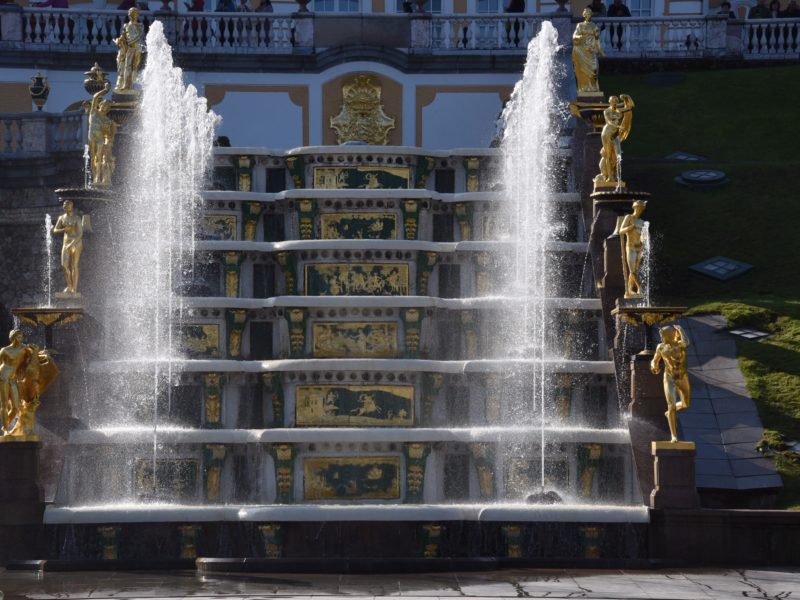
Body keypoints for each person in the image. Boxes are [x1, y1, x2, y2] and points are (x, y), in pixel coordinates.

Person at [651, 325, 691, 443]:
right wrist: (654, 366)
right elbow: (655, 359)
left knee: (686, 405)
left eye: (663, 335)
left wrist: (680, 329)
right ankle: (674, 436)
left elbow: (687, 342)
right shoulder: (661, 347)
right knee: (672, 405)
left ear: (670, 335)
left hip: (682, 377)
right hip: (669, 378)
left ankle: (669, 413)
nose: (661, 337)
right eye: (661, 335)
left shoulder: (680, 345)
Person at [595, 93, 634, 190]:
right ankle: (610, 177)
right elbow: (608, 122)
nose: (615, 103)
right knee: (608, 155)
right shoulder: (606, 111)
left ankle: (617, 176)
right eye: (613, 102)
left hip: (615, 134)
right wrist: (618, 126)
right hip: (607, 133)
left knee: (617, 155)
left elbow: (630, 107)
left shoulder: (619, 110)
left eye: (616, 102)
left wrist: (627, 98)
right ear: (610, 102)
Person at [53, 199, 84, 296]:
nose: (66, 207)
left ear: (71, 207)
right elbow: (55, 230)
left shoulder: (77, 218)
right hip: (65, 243)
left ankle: (74, 288)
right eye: (64, 205)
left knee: (74, 265)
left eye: (68, 205)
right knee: (64, 266)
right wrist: (64, 229)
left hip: (76, 243)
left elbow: (80, 234)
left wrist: (72, 243)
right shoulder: (61, 218)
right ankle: (69, 286)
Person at [572, 8, 604, 96]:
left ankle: (594, 88)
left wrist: (600, 49)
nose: (588, 16)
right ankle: (584, 89)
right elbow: (574, 36)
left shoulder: (594, 25)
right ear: (584, 15)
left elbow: (597, 39)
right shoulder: (580, 25)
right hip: (582, 50)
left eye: (590, 14)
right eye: (587, 14)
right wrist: (580, 37)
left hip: (591, 50)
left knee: (594, 69)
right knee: (582, 70)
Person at [0, 330, 26, 435]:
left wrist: (44, 354)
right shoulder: (5, 350)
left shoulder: (24, 349)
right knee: (4, 404)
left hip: (13, 378)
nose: (20, 339)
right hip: (3, 377)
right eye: (18, 337)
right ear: (13, 338)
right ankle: (6, 429)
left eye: (21, 337)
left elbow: (35, 355)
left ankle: (4, 426)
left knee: (16, 407)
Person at [619, 199, 646, 298]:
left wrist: (644, 242)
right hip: (630, 247)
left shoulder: (642, 222)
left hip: (639, 248)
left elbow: (643, 236)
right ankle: (640, 288)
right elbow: (621, 231)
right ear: (634, 208)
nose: (640, 210)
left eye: (642, 209)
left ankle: (629, 290)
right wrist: (630, 227)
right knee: (632, 270)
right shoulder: (629, 217)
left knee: (635, 270)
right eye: (638, 208)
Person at [114, 7, 144, 92]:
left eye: (133, 14)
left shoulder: (140, 26)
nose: (131, 16)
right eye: (130, 14)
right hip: (130, 48)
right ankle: (126, 85)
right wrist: (119, 40)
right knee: (127, 66)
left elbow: (139, 38)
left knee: (135, 67)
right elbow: (123, 37)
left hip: (137, 48)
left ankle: (132, 84)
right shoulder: (126, 25)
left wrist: (132, 41)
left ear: (137, 15)